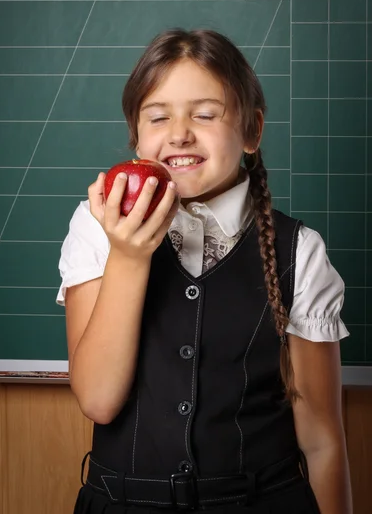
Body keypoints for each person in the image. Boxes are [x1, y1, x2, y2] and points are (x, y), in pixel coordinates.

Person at [57, 29, 352, 514]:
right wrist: (129, 257)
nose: (178, 133)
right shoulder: (96, 224)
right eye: (158, 117)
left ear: (252, 130)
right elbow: (99, 399)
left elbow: (321, 438)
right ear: (136, 136)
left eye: (205, 114)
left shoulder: (300, 251)